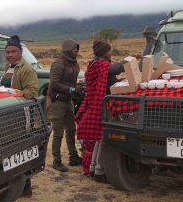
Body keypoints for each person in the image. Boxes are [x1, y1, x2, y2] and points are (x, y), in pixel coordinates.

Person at [76, 40, 135, 182]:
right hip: (102, 105)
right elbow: (114, 69)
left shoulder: (94, 64)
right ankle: (99, 172)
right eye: (109, 50)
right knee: (104, 139)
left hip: (96, 104)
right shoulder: (102, 64)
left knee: (99, 138)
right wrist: (129, 61)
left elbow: (111, 76)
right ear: (104, 52)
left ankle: (93, 168)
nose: (111, 52)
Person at [0, 35, 38, 197]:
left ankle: (26, 187)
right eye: (7, 52)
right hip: (10, 116)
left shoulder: (26, 69)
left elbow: (33, 92)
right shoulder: (10, 68)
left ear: (20, 52)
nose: (10, 54)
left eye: (13, 51)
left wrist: (14, 94)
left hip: (23, 115)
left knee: (22, 149)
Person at [47, 39, 83, 172]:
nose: (77, 51)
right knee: (58, 132)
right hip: (57, 101)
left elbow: (69, 82)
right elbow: (54, 83)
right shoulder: (58, 63)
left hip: (68, 100)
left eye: (77, 49)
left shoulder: (73, 63)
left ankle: (73, 157)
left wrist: (77, 87)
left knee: (71, 130)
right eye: (74, 48)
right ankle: (57, 161)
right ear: (67, 49)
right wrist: (72, 89)